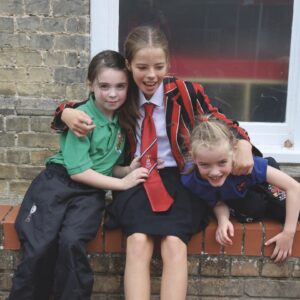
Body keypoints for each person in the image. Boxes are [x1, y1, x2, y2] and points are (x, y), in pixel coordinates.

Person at [50, 26, 257, 300]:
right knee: (137, 242)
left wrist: (242, 143)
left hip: (180, 179)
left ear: (168, 63)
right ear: (128, 65)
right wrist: (64, 113)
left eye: (158, 66)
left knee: (174, 245)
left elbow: (223, 121)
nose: (150, 75)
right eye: (142, 67)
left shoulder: (185, 92)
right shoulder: (123, 93)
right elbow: (84, 104)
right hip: (137, 176)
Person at [9, 50, 149, 300]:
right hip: (58, 183)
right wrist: (122, 183)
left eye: (120, 86)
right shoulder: (81, 119)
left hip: (89, 195)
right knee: (40, 246)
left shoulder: (120, 120)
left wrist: (127, 169)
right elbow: (78, 171)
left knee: (72, 242)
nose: (113, 93)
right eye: (104, 86)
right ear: (90, 85)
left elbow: (106, 167)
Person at [181, 115, 300, 263]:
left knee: (285, 209)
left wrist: (288, 234)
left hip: (260, 183)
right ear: (193, 158)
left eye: (222, 162)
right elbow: (216, 201)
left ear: (233, 153)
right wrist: (223, 220)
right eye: (205, 165)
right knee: (252, 207)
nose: (214, 172)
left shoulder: (248, 166)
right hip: (241, 196)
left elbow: (294, 188)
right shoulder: (191, 178)